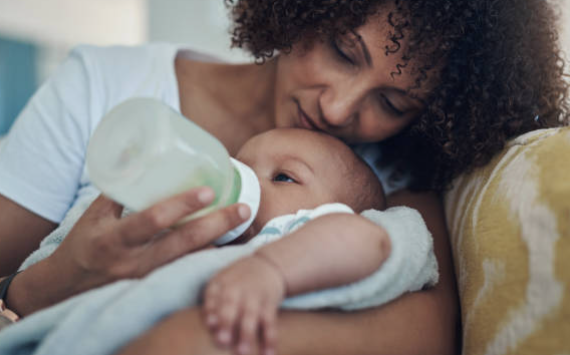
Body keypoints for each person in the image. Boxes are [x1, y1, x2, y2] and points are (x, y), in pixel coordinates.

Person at [0, 0, 567, 354]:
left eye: (393, 104)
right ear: (304, 0)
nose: (339, 108)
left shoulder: (390, 178)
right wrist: (44, 287)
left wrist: (191, 335)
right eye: (345, 51)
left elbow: (424, 333)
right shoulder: (105, 85)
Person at [0, 128, 436, 355]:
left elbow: (366, 241)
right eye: (239, 165)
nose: (241, 180)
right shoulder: (180, 230)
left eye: (284, 176)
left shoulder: (310, 233)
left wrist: (271, 270)